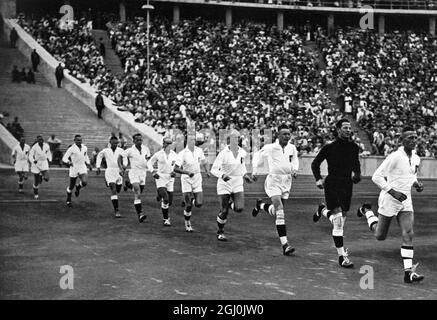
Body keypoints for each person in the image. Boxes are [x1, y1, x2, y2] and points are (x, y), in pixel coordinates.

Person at [356, 126, 425, 283]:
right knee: (380, 235)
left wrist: (416, 184)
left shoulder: (416, 158)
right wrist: (392, 192)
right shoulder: (395, 157)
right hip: (390, 200)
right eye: (410, 138)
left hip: (406, 201)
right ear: (402, 140)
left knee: (408, 234)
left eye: (415, 137)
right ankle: (367, 211)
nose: (414, 140)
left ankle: (409, 273)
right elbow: (376, 176)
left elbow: (411, 176)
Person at [311, 118, 362, 268]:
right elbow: (315, 164)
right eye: (345, 128)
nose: (348, 130)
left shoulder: (354, 147)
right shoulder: (329, 147)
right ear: (338, 130)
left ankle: (323, 210)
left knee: (340, 220)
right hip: (332, 183)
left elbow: (356, 164)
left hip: (347, 185)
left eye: (349, 128)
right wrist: (318, 179)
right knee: (339, 220)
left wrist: (357, 175)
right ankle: (342, 257)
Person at [251, 124, 299, 256]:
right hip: (274, 181)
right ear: (278, 135)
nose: (287, 136)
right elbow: (257, 156)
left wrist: (294, 170)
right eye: (284, 134)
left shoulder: (292, 148)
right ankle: (285, 245)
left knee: (278, 210)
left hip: (287, 181)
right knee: (280, 211)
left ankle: (261, 206)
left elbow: (295, 160)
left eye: (288, 134)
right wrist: (255, 171)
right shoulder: (270, 148)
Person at [210, 129, 256, 241]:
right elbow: (213, 169)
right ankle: (220, 231)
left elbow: (242, 165)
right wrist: (222, 175)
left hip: (237, 182)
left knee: (239, 208)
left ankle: (230, 204)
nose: (237, 139)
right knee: (224, 211)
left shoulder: (242, 152)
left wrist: (245, 175)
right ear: (229, 139)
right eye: (235, 137)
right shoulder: (223, 153)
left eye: (238, 137)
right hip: (224, 183)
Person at [173, 132, 211, 232]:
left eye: (194, 140)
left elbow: (204, 161)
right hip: (186, 179)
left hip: (197, 178)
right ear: (187, 141)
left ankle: (190, 199)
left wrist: (207, 171)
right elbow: (175, 169)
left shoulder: (199, 150)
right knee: (188, 205)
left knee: (199, 204)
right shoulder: (182, 153)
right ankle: (187, 223)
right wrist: (186, 172)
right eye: (191, 140)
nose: (193, 142)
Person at [147, 137, 179, 226]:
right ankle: (166, 219)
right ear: (163, 144)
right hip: (160, 177)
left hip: (170, 178)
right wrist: (153, 172)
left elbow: (178, 165)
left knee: (170, 201)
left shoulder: (174, 155)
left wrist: (174, 172)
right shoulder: (158, 154)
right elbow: (149, 162)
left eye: (170, 143)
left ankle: (159, 194)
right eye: (167, 143)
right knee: (166, 199)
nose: (168, 145)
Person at [122, 133, 151, 222]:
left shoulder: (146, 149)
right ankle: (140, 214)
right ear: (133, 141)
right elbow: (120, 156)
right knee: (137, 192)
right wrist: (121, 167)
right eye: (137, 140)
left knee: (139, 191)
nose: (139, 141)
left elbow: (148, 158)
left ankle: (128, 185)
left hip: (143, 173)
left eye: (140, 140)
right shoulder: (129, 150)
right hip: (134, 172)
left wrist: (149, 166)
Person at [96, 135, 125, 218]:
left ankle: (109, 183)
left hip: (118, 171)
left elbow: (125, 158)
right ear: (110, 143)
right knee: (114, 189)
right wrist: (98, 167)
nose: (115, 144)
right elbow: (99, 156)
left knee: (118, 189)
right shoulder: (106, 151)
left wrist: (124, 167)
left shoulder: (121, 150)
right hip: (110, 171)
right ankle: (116, 210)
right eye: (114, 143)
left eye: (117, 143)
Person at [62, 135, 91, 207]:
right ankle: (68, 199)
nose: (79, 141)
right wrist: (69, 162)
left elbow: (86, 156)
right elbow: (64, 158)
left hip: (82, 166)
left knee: (84, 182)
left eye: (80, 140)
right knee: (71, 186)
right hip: (74, 167)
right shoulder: (71, 148)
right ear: (74, 140)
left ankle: (78, 187)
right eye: (78, 140)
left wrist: (88, 163)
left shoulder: (84, 147)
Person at [29, 135, 52, 199]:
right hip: (36, 163)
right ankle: (36, 193)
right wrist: (33, 161)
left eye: (42, 139)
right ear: (37, 140)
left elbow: (49, 153)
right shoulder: (34, 147)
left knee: (47, 179)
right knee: (36, 181)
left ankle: (41, 175)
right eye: (39, 140)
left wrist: (50, 160)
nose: (41, 140)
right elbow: (30, 156)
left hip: (44, 162)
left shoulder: (46, 145)